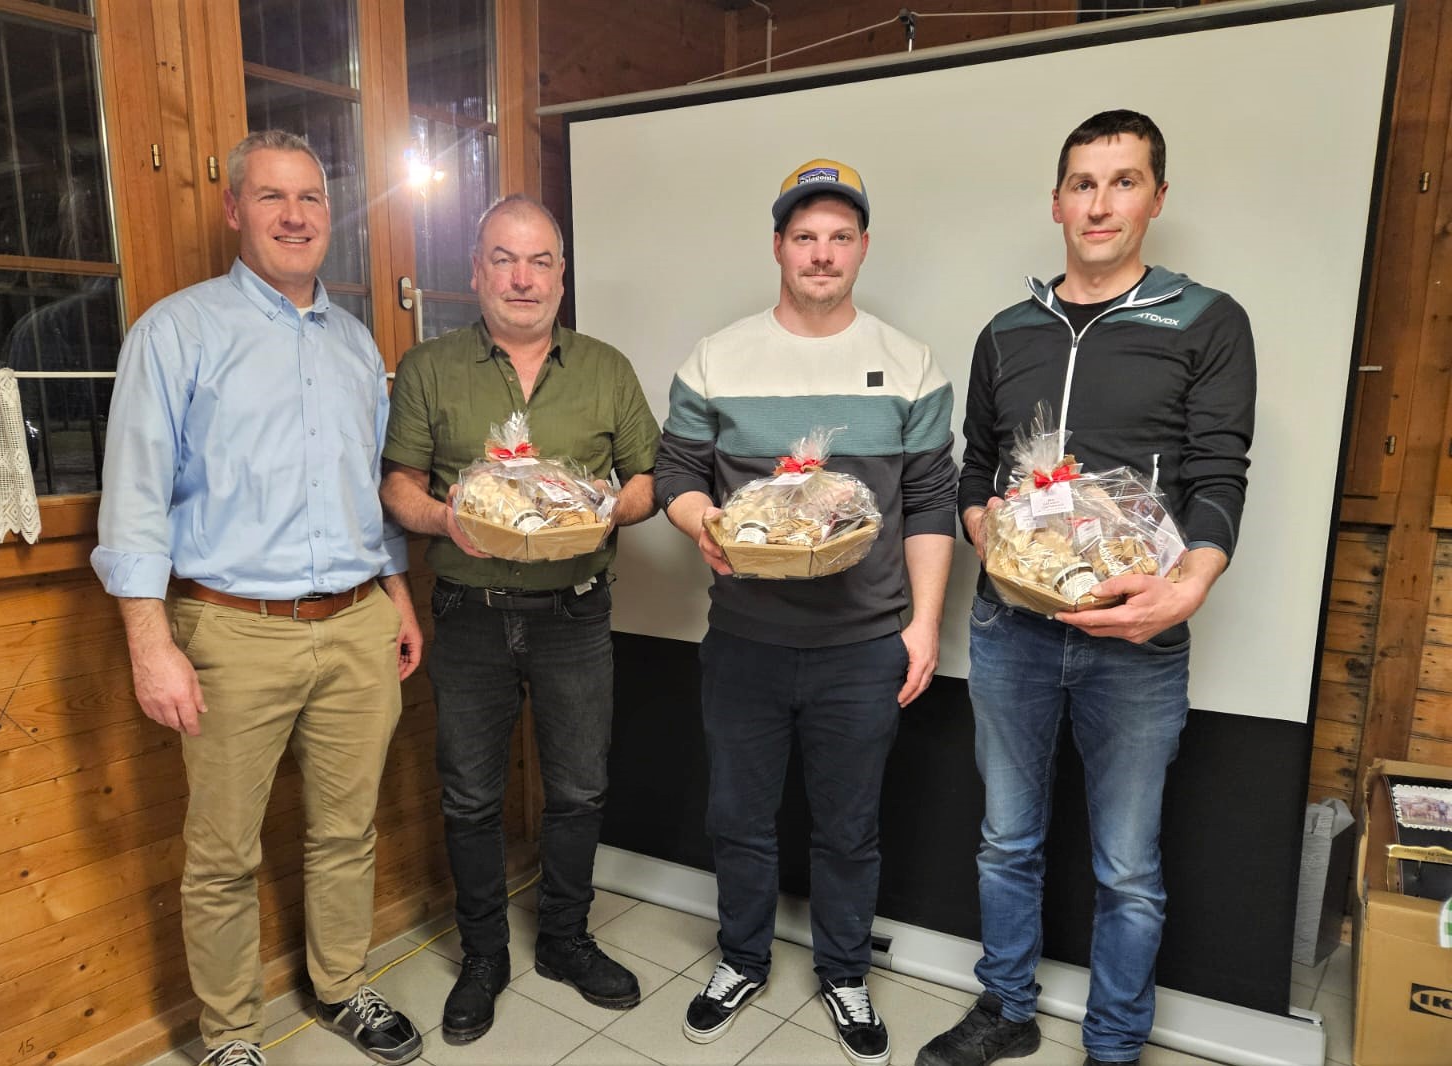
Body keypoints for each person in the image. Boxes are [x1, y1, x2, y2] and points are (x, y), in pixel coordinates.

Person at [917, 110, 1255, 1066]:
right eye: (1083, 183)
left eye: (1124, 181)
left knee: (1128, 867)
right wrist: (987, 532)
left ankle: (1114, 1044)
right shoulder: (1006, 332)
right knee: (1006, 841)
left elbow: (1221, 473)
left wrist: (1188, 586)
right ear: (1057, 201)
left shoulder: (1206, 320)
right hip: (1011, 629)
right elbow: (976, 469)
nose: (1100, 204)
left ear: (1156, 197)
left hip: (1137, 638)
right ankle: (1006, 1009)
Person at [92, 130, 424, 1066]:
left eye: (311, 197)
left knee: (347, 831)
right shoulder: (176, 332)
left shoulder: (355, 344)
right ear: (236, 209)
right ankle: (232, 1034)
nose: (295, 216)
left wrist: (397, 594)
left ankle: (343, 986)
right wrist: (149, 644)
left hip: (357, 624)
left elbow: (367, 490)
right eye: (272, 197)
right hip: (231, 631)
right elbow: (133, 499)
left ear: (330, 213)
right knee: (223, 853)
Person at [656, 159, 958, 1066]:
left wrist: (924, 625)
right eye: (804, 237)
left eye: (839, 237)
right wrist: (703, 523)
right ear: (778, 247)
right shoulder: (717, 357)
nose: (821, 254)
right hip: (745, 640)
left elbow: (932, 503)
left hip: (862, 647)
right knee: (738, 818)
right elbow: (677, 473)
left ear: (862, 248)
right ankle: (741, 959)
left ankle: (844, 972)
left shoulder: (910, 364)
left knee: (849, 828)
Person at [380, 194, 660, 1044]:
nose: (523, 278)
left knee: (578, 789)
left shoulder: (606, 368)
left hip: (575, 613)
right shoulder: (430, 367)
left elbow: (648, 481)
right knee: (470, 795)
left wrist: (604, 513)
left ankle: (566, 941)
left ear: (562, 276)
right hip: (468, 615)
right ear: (476, 272)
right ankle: (483, 956)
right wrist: (446, 518)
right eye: (504, 259)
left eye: (540, 261)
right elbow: (399, 486)